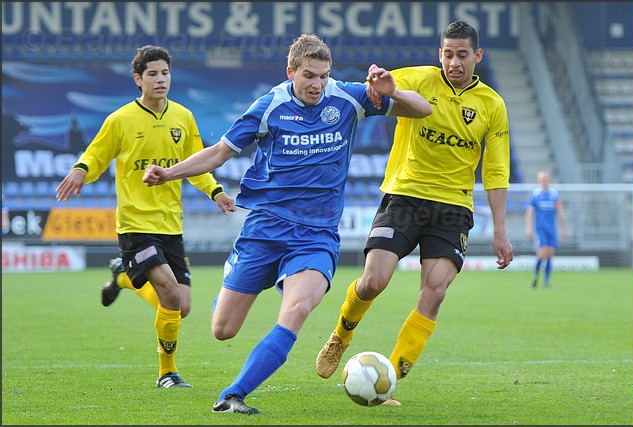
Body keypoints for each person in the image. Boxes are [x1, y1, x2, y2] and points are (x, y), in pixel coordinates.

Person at [142, 33, 432, 414]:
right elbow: (218, 153)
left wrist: (394, 90)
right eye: (309, 76)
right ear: (290, 71)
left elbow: (422, 109)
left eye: (324, 76)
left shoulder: (347, 97)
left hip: (315, 237)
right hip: (264, 231)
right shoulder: (269, 106)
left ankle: (233, 395)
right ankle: (237, 282)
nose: (317, 85)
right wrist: (169, 173)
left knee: (295, 312)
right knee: (222, 329)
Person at [315, 19, 514, 406]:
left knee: (434, 292)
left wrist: (501, 232)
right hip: (405, 196)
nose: (454, 62)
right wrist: (378, 81)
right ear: (439, 54)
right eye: (448, 54)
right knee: (373, 281)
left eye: (462, 55)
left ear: (477, 56)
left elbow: (496, 170)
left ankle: (387, 378)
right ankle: (341, 334)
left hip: (453, 207)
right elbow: (377, 84)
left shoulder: (492, 104)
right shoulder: (420, 79)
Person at [56, 45, 236, 389]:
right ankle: (167, 372)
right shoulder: (121, 120)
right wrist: (80, 169)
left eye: (165, 73)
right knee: (168, 293)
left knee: (180, 306)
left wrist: (216, 191)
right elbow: (96, 154)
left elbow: (195, 164)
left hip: (170, 225)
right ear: (138, 79)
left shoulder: (182, 117)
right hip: (135, 224)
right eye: (152, 74)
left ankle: (124, 277)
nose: (160, 79)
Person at [525, 170, 567, 288]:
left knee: (550, 254)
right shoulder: (535, 195)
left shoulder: (555, 195)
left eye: (546, 178)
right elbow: (530, 212)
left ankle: (546, 282)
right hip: (540, 228)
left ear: (549, 180)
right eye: (542, 179)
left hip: (552, 228)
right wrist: (529, 228)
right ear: (539, 181)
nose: (544, 181)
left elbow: (559, 212)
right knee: (543, 253)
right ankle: (536, 275)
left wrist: (564, 230)